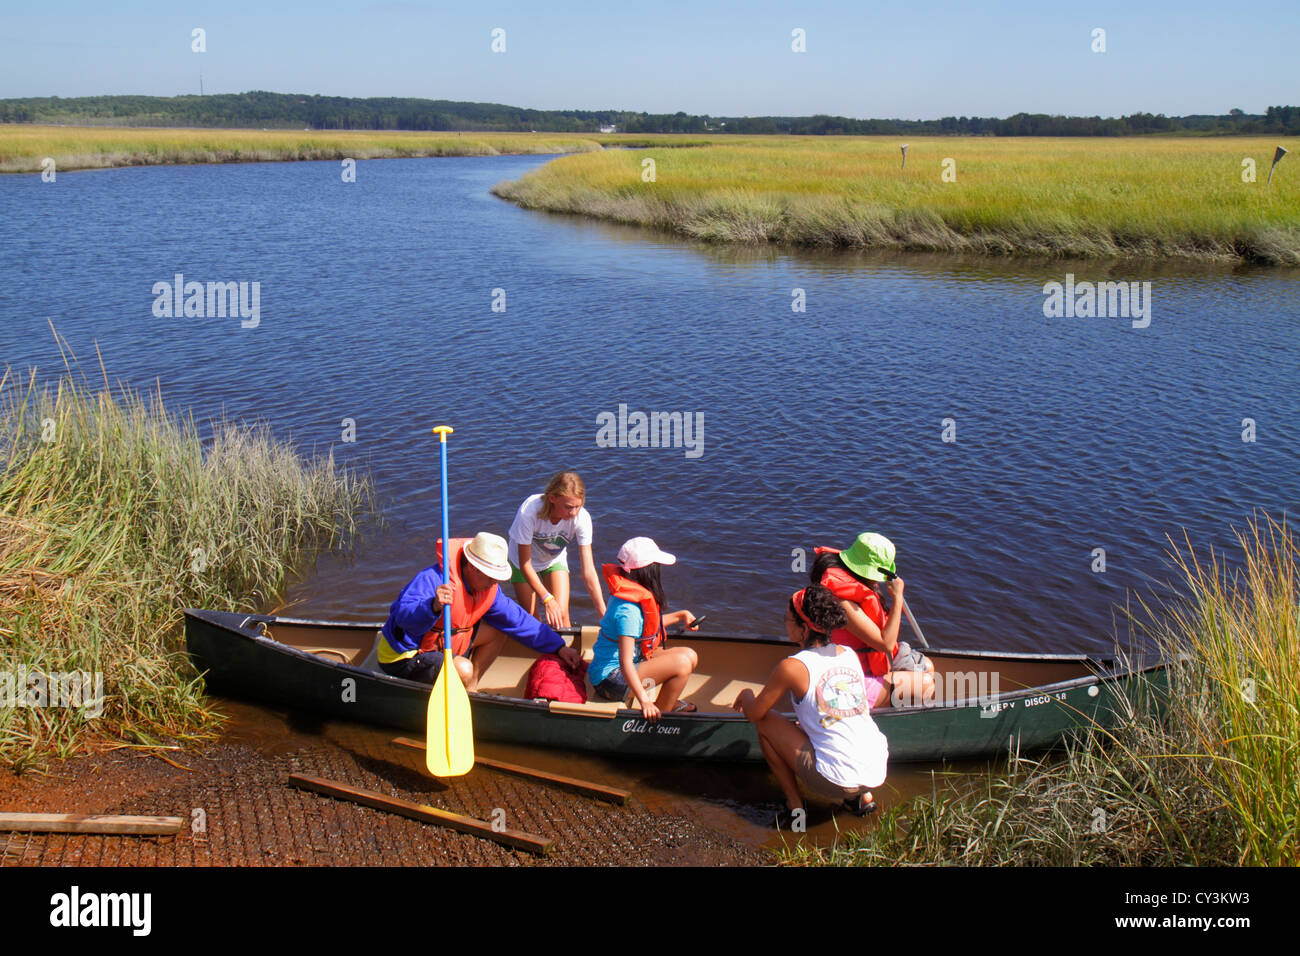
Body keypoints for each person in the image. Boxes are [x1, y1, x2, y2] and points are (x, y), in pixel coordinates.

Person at [733, 584, 888, 829]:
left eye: (787, 620)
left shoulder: (792, 666)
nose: (785, 624)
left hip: (836, 779)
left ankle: (796, 807)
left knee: (766, 721)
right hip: (877, 769)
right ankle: (860, 800)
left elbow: (754, 713)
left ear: (804, 629)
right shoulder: (848, 653)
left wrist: (746, 694)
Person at [378, 531, 582, 692]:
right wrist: (432, 606)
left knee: (498, 630)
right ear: (474, 569)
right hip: (405, 657)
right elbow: (403, 618)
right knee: (463, 668)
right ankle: (461, 684)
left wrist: (558, 647)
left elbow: (518, 621)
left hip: (445, 647)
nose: (495, 583)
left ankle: (470, 688)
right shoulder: (432, 580)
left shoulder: (488, 590)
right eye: (492, 577)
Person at [811, 532, 935, 707]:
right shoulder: (844, 604)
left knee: (928, 666)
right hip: (850, 672)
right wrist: (897, 597)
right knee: (925, 683)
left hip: (866, 659)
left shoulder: (857, 582)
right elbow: (886, 645)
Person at [588, 537, 700, 718]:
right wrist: (644, 701)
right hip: (610, 680)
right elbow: (625, 663)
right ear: (648, 571)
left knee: (690, 655)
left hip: (628, 665)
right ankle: (661, 713)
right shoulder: (627, 610)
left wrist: (681, 615)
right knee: (682, 663)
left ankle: (667, 702)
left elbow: (646, 625)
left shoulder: (632, 596)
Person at [508, 471, 607, 629]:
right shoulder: (530, 511)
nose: (573, 513)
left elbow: (588, 571)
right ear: (552, 499)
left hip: (553, 559)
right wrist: (547, 598)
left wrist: (602, 611)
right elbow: (525, 565)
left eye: (577, 506)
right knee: (534, 621)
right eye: (568, 507)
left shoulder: (582, 518)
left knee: (560, 618)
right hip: (522, 563)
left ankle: (563, 651)